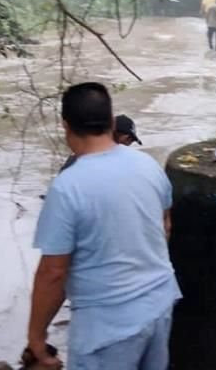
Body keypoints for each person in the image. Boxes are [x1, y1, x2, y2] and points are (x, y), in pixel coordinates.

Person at [26, 82, 180, 369]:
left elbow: (54, 272)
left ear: (66, 126)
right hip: (159, 305)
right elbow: (164, 227)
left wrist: (36, 337)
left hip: (108, 325)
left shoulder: (67, 186)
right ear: (111, 122)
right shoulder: (147, 166)